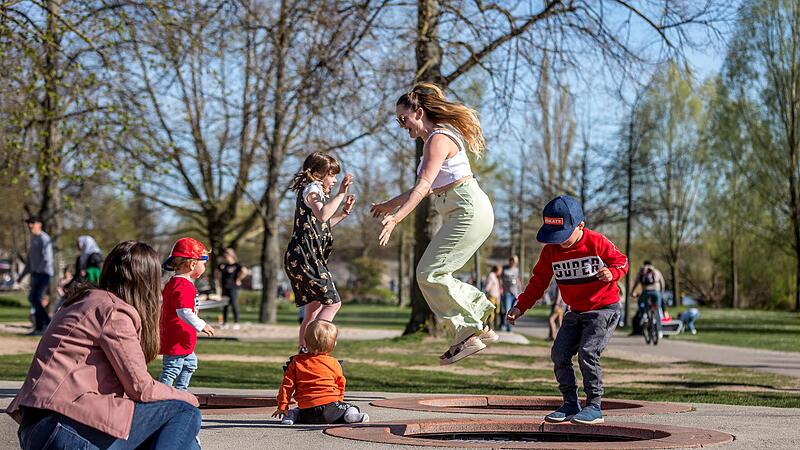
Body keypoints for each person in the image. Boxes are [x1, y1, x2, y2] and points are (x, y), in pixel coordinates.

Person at [6, 241, 202, 449]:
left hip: (38, 428)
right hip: (65, 426)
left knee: (179, 439)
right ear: (147, 280)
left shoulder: (82, 302)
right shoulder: (114, 312)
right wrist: (188, 397)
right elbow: (141, 388)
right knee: (184, 412)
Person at [371, 82, 496, 365]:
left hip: (468, 210)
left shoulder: (438, 139)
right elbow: (426, 187)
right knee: (432, 272)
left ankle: (469, 329)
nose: (402, 125)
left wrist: (397, 218)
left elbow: (424, 184)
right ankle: (476, 325)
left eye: (403, 118)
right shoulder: (434, 141)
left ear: (419, 111)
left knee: (429, 273)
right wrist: (389, 205)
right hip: (466, 210)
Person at [507, 195, 628, 425]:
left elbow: (622, 261)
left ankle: (594, 406)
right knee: (559, 353)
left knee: (587, 352)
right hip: (575, 310)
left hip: (603, 309)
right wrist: (520, 306)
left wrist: (613, 273)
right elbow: (538, 281)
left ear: (580, 225)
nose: (559, 241)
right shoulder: (552, 251)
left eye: (563, 235)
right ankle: (571, 403)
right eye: (554, 236)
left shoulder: (596, 242)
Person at [285, 152, 356, 354]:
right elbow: (323, 214)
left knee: (314, 309)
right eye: (331, 175)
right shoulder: (312, 189)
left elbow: (322, 224)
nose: (334, 181)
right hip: (307, 258)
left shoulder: (313, 192)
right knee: (333, 303)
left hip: (303, 257)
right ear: (317, 173)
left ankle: (303, 351)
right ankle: (317, 348)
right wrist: (340, 194)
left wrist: (343, 212)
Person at [273, 319, 369, 425]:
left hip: (307, 412)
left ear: (306, 341)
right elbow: (341, 384)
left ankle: (289, 416)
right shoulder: (334, 363)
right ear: (333, 344)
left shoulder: (296, 362)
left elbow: (287, 386)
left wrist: (282, 406)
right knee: (351, 407)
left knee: (297, 410)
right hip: (331, 410)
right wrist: (339, 400)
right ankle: (350, 416)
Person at [159, 237, 216, 390]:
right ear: (192, 264)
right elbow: (183, 312)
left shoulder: (177, 283)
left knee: (190, 364)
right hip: (176, 338)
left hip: (182, 338)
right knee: (172, 369)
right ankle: (161, 397)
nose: (204, 267)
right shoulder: (182, 285)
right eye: (203, 263)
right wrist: (202, 325)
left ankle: (181, 392)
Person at [17, 216, 53, 335]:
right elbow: (29, 262)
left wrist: (37, 270)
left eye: (32, 223)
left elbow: (47, 258)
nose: (30, 225)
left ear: (39, 224)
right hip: (37, 274)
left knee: (34, 298)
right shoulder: (34, 239)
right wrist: (22, 275)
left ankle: (47, 323)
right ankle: (39, 328)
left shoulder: (44, 238)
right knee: (34, 299)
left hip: (44, 274)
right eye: (28, 223)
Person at [631, 260, 666, 337]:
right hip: (656, 292)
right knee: (658, 310)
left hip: (646, 292)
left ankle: (644, 316)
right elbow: (662, 282)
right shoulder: (656, 271)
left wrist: (632, 292)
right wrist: (661, 293)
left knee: (641, 302)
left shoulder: (642, 271)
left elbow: (637, 282)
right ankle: (660, 331)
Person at [218, 248, 249, 330]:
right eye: (225, 256)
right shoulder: (223, 266)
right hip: (225, 288)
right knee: (225, 305)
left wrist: (238, 279)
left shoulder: (237, 265)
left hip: (233, 288)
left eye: (227, 255)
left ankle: (236, 322)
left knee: (234, 304)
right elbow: (218, 274)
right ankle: (225, 323)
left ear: (232, 256)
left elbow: (245, 271)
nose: (226, 257)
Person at [500, 256, 522, 332]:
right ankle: (508, 328)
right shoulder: (504, 269)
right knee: (507, 310)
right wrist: (501, 288)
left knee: (514, 310)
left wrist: (519, 291)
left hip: (515, 293)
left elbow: (517, 280)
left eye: (515, 262)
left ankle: (509, 327)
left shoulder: (516, 270)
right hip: (507, 293)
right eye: (512, 261)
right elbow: (501, 279)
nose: (513, 263)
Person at [483, 265, 502, 330]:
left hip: (496, 297)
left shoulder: (496, 277)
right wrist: (486, 292)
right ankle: (489, 326)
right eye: (500, 270)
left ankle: (495, 326)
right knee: (491, 313)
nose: (501, 272)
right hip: (492, 296)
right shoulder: (491, 276)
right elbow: (487, 287)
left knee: (496, 312)